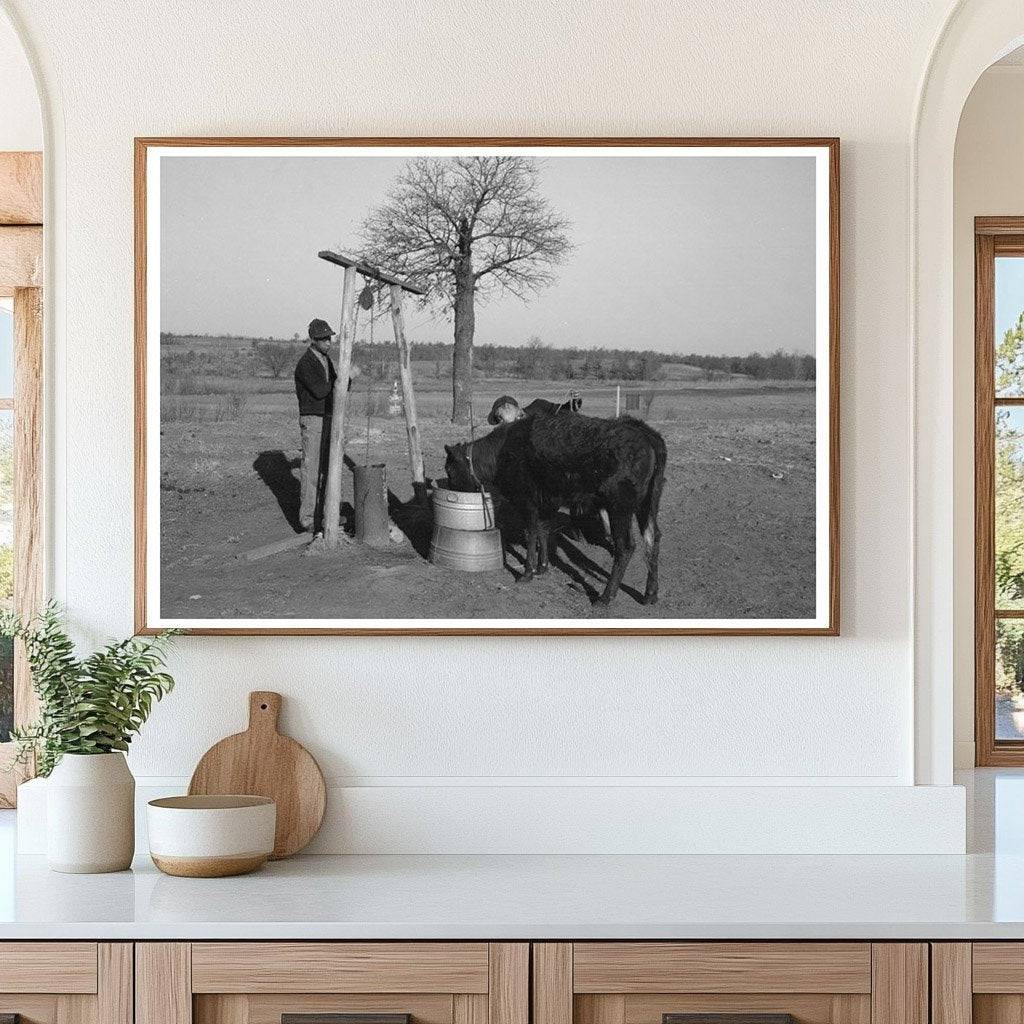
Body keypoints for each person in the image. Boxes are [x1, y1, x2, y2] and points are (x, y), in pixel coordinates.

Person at [294, 318, 338, 532]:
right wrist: (340, 382)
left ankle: (324, 514)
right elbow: (321, 391)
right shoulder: (306, 363)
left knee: (326, 469)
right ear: (314, 340)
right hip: (313, 419)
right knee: (311, 470)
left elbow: (337, 386)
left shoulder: (326, 360)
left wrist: (346, 379)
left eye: (329, 338)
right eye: (324, 339)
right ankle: (308, 519)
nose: (328, 342)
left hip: (327, 417)